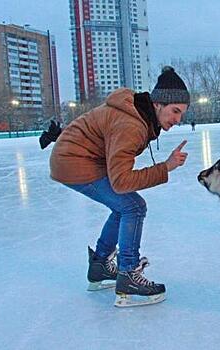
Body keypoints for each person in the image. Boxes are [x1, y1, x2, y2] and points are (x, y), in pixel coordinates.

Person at [49, 66, 190, 306]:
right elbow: (122, 181)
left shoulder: (136, 116)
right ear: (157, 104)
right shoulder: (132, 125)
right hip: (74, 163)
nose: (177, 120)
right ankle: (128, 274)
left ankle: (100, 265)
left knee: (124, 206)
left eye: (181, 114)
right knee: (133, 206)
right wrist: (165, 167)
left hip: (75, 158)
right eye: (175, 111)